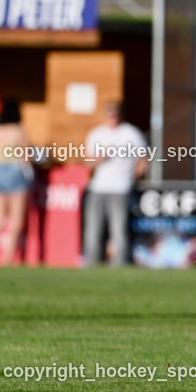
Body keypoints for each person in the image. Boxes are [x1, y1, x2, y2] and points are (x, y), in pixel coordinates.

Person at [82, 101, 148, 267]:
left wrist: (137, 174)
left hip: (121, 188)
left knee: (119, 230)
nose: (113, 118)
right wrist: (99, 158)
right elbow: (87, 162)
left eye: (116, 115)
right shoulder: (96, 134)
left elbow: (144, 157)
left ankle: (120, 264)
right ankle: (92, 263)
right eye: (110, 115)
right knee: (93, 230)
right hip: (98, 188)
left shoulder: (130, 133)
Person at [0, 99, 32, 266]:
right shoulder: (18, 130)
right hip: (15, 171)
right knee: (16, 221)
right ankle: (7, 260)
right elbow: (26, 157)